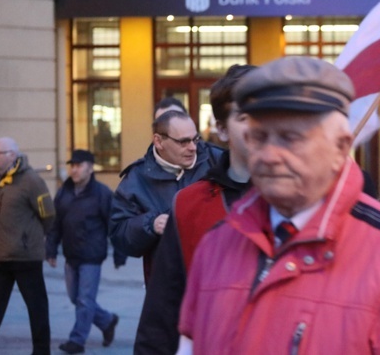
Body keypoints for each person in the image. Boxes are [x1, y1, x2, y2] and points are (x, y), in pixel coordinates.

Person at [177, 56, 380, 353]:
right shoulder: (217, 244)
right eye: (259, 137)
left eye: (290, 138)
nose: (271, 155)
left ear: (340, 147)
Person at [134, 64, 256, 354]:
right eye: (246, 116)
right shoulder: (190, 205)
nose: (260, 125)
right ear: (223, 129)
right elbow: (163, 311)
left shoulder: (302, 201)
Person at [109, 110, 223, 283]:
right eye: (183, 141)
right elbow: (119, 235)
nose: (192, 147)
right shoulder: (137, 178)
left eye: (195, 139)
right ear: (159, 141)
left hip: (219, 278)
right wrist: (150, 224)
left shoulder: (217, 160)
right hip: (168, 288)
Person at [0, 137, 55, 355]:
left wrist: (31, 238)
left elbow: (48, 214)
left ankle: (41, 352)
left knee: (37, 310)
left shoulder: (31, 180)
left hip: (25, 259)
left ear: (12, 155)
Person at [46, 149, 122, 354]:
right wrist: (51, 249)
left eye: (79, 165)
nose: (74, 169)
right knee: (76, 298)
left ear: (90, 168)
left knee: (84, 300)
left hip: (92, 256)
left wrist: (119, 253)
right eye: (72, 165)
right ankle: (107, 320)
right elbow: (56, 224)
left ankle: (77, 341)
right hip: (71, 255)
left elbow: (113, 224)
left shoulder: (102, 193)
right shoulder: (64, 192)